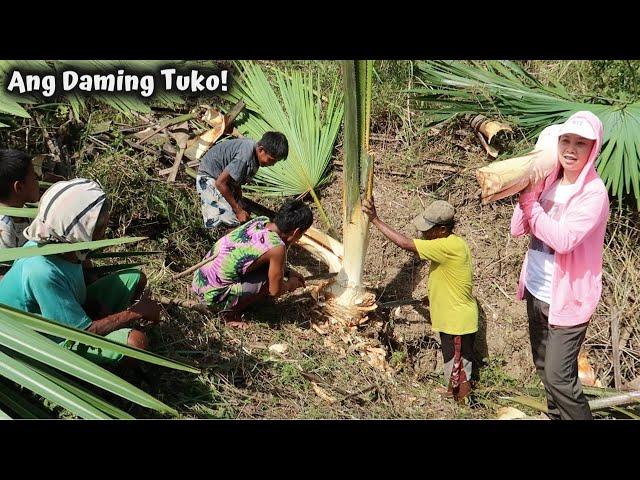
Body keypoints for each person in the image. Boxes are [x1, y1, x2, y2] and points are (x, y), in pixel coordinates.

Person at [511, 111, 609, 420]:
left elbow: (564, 239)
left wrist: (530, 205)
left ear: (593, 148)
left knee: (559, 378)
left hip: (569, 298)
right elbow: (518, 227)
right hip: (538, 289)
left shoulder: (594, 194)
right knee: (544, 371)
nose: (571, 148)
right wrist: (532, 190)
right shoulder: (550, 184)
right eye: (565, 140)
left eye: (581, 143)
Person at [0, 178, 161, 365]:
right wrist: (134, 313)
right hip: (46, 341)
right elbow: (81, 334)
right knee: (136, 342)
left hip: (65, 310)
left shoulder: (65, 245)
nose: (104, 234)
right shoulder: (42, 272)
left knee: (135, 278)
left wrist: (96, 306)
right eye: (99, 229)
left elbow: (77, 280)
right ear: (79, 231)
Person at [362, 197, 479, 401]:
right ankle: (453, 395)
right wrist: (432, 297)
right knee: (453, 363)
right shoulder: (453, 244)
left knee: (461, 372)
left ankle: (464, 408)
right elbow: (452, 278)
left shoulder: (446, 245)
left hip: (457, 323)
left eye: (428, 229)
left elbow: (406, 244)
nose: (424, 233)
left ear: (442, 229)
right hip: (451, 320)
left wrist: (375, 220)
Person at [192, 199, 312, 329]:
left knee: (269, 271)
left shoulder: (260, 221)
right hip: (212, 297)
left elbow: (254, 254)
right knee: (268, 280)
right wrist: (291, 284)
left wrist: (288, 272)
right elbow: (275, 291)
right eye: (301, 234)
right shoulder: (277, 247)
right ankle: (227, 315)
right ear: (296, 232)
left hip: (200, 281)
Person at [196, 131, 288, 229]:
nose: (272, 164)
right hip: (210, 178)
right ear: (261, 150)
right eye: (271, 160)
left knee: (243, 213)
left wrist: (239, 203)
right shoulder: (245, 156)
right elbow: (220, 183)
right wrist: (238, 210)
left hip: (225, 181)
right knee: (231, 221)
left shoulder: (254, 156)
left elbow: (236, 181)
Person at [0, 149, 41, 251]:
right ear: (19, 187)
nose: (38, 182)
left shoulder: (27, 213)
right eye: (35, 178)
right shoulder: (4, 228)